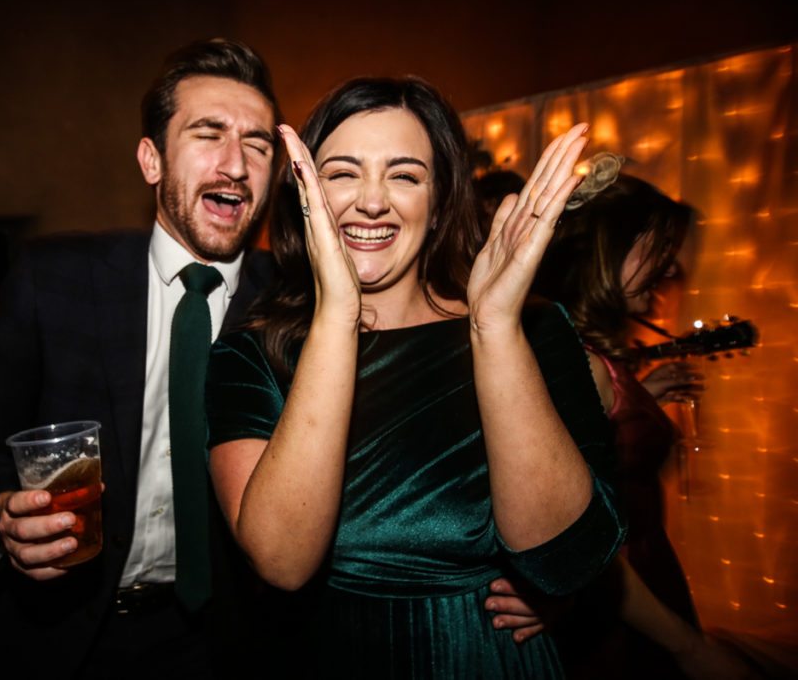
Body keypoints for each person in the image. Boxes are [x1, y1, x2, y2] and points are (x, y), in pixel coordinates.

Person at [204, 77, 625, 678]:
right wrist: (337, 314)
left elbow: (563, 563)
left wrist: (495, 327)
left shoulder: (532, 330)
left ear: (440, 199)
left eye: (404, 174)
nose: (372, 201)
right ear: (306, 192)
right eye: (343, 172)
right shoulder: (252, 354)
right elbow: (282, 561)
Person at [0, 39, 281, 680]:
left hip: (225, 642)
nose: (235, 164)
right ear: (152, 159)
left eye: (258, 145)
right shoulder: (54, 281)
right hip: (61, 636)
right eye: (208, 134)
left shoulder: (293, 308)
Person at [533, 170, 755, 679]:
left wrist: (640, 399)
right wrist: (689, 647)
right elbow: (574, 533)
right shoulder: (579, 363)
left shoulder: (592, 357)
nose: (669, 265)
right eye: (657, 248)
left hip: (638, 579)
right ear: (609, 251)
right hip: (619, 592)